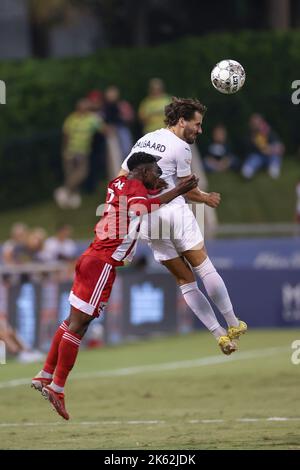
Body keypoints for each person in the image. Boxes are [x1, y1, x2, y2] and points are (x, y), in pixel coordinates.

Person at [31, 152, 198, 420]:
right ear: (143, 172)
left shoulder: (116, 183)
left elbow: (144, 196)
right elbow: (146, 206)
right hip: (102, 262)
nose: (157, 175)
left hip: (90, 257)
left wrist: (165, 187)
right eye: (154, 171)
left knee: (71, 320)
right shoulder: (134, 189)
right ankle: (58, 387)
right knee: (80, 325)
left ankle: (46, 373)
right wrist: (179, 189)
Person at [119, 97, 247, 355]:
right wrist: (207, 197)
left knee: (184, 280)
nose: (199, 130)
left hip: (147, 218)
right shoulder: (181, 147)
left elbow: (121, 179)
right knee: (203, 265)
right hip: (173, 212)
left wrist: (125, 217)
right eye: (196, 125)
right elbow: (188, 189)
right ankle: (233, 324)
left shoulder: (143, 140)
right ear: (181, 121)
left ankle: (219, 336)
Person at [241, 113, 284, 180]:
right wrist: (259, 145)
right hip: (257, 157)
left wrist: (271, 149)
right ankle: (248, 170)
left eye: (257, 122)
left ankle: (273, 169)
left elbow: (280, 147)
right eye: (253, 123)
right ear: (250, 124)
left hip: (270, 156)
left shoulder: (269, 132)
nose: (255, 125)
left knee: (275, 155)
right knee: (251, 163)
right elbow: (248, 150)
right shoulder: (248, 135)